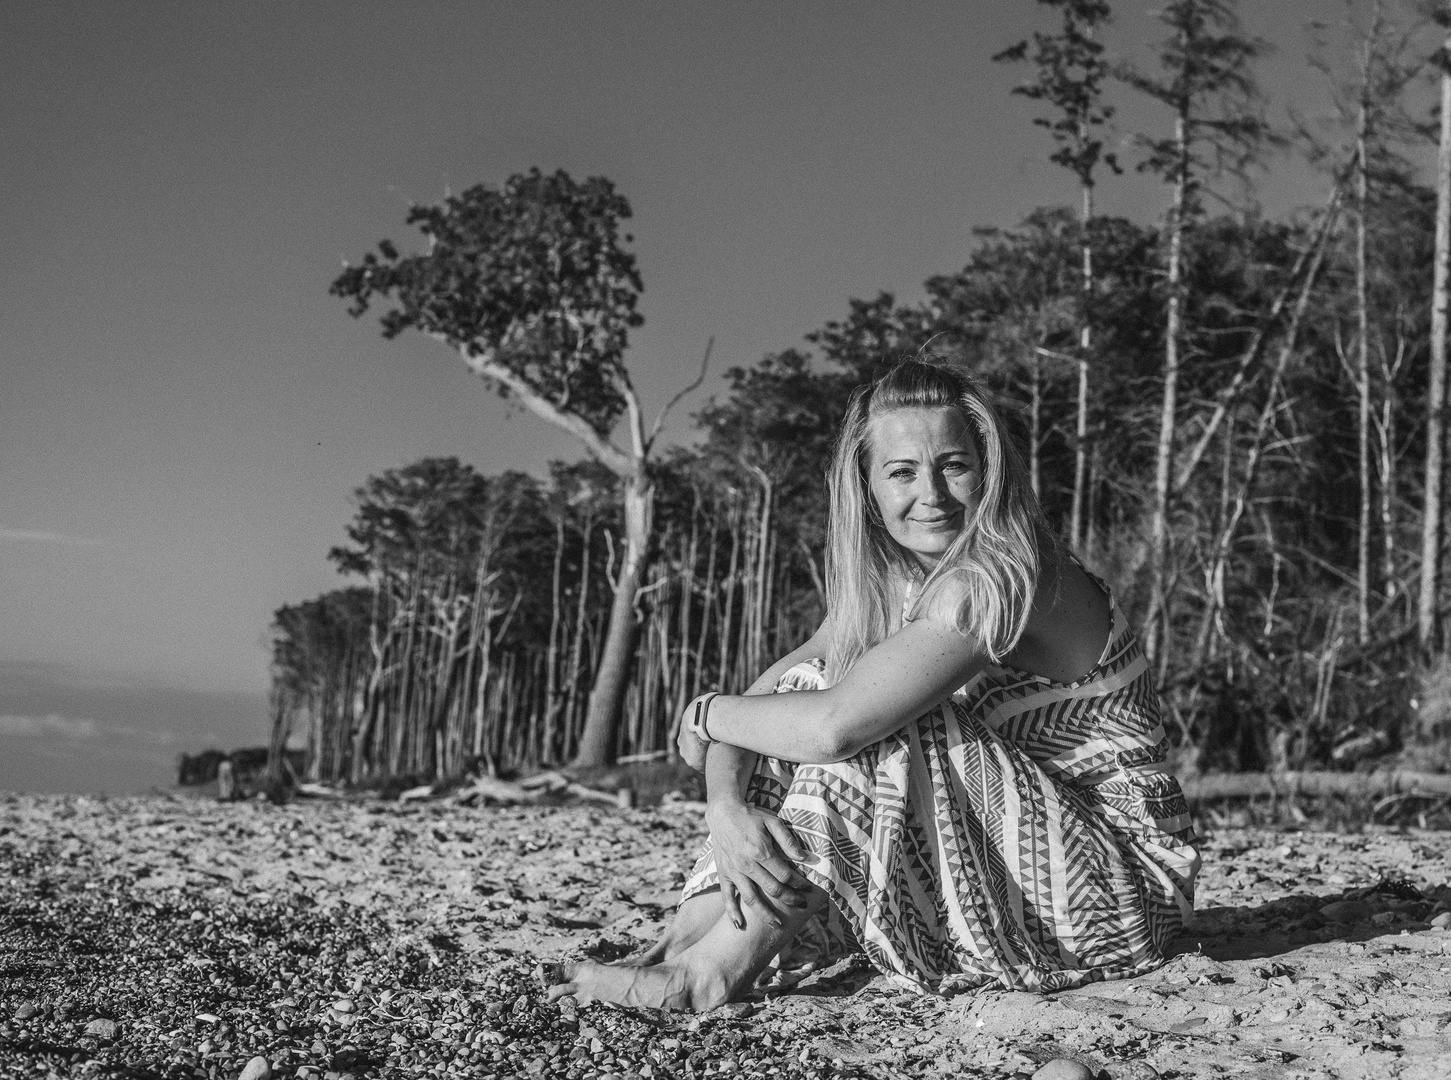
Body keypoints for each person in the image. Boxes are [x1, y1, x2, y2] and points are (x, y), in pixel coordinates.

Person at [547, 358, 1199, 1011]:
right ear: (865, 486)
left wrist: (704, 710)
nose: (933, 494)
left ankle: (711, 975)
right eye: (901, 471)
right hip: (1029, 868)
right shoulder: (893, 586)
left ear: (987, 468)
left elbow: (834, 726)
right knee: (813, 683)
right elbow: (770, 699)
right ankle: (691, 942)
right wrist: (723, 809)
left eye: (953, 464)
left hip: (1117, 888)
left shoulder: (998, 572)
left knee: (870, 712)